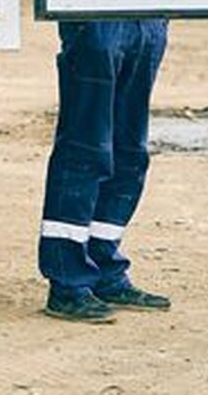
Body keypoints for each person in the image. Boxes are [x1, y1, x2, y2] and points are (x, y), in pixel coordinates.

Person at [38, 19, 172, 322]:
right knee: (85, 150)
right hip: (96, 17)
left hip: (148, 19)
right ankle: (68, 282)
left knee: (129, 154)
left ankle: (104, 269)